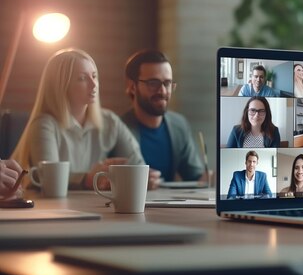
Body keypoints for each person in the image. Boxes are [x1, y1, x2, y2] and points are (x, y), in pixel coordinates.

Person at [11, 48, 159, 190]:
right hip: (52, 209)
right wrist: (86, 179)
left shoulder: (110, 121)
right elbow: (51, 179)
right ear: (61, 86)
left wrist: (145, 178)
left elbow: (139, 166)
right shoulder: (44, 125)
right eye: (82, 78)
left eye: (94, 76)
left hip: (91, 207)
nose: (94, 84)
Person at [121, 49, 206, 182]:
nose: (163, 91)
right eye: (153, 83)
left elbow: (196, 177)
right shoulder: (118, 129)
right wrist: (134, 181)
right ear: (133, 87)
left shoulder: (179, 125)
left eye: (167, 83)